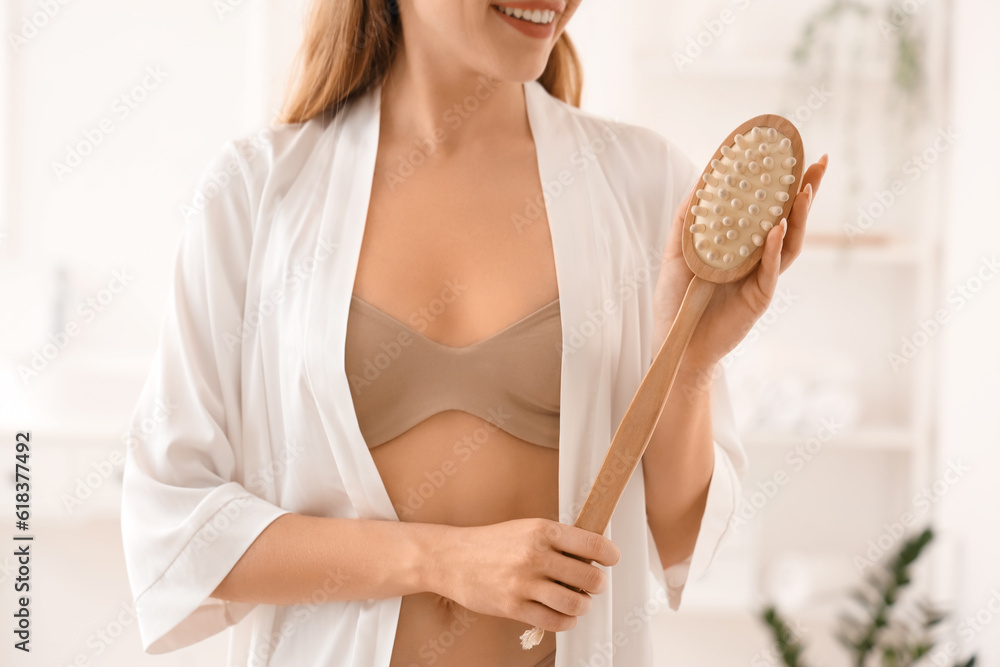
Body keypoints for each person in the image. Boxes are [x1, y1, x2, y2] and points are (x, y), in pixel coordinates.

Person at [120, 0, 828, 665]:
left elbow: (677, 539)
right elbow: (175, 521)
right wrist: (443, 560)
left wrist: (692, 362)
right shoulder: (256, 193)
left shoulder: (644, 185)